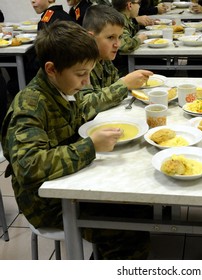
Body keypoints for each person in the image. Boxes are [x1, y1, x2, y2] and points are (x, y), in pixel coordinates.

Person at [0, 20, 154, 259]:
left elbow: (89, 103)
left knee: (137, 204)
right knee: (125, 226)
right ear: (51, 69)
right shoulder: (30, 106)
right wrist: (90, 146)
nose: (86, 82)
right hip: (44, 201)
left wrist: (121, 87)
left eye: (89, 73)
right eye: (81, 74)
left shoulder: (61, 88)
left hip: (70, 181)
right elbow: (28, 167)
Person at [112, 0, 154, 76]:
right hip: (122, 67)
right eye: (139, 3)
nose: (139, 7)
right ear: (130, 5)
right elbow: (126, 45)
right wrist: (140, 39)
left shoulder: (125, 18)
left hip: (126, 61)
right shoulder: (120, 20)